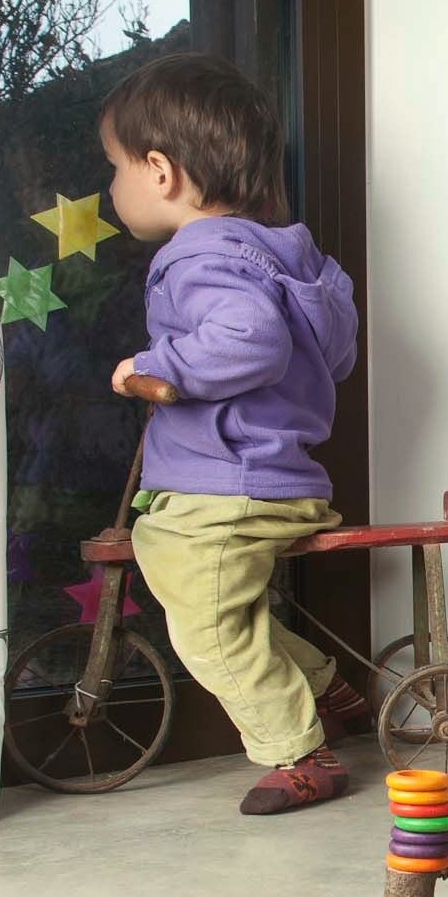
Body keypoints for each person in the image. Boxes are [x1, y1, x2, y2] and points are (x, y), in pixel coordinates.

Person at [100, 53, 369, 814]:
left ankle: (299, 751)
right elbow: (336, 353)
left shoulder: (198, 253)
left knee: (206, 621)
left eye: (114, 167)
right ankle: (324, 683)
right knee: (220, 606)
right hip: (281, 477)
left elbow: (251, 340)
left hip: (225, 484)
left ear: (161, 171)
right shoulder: (292, 258)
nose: (112, 186)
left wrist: (156, 368)